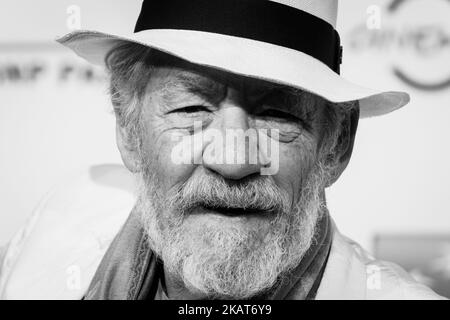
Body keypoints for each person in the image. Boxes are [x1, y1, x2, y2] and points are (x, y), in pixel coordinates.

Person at [0, 0, 444, 299]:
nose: (233, 161)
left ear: (337, 144)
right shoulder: (61, 218)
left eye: (277, 113)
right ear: (129, 131)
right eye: (191, 107)